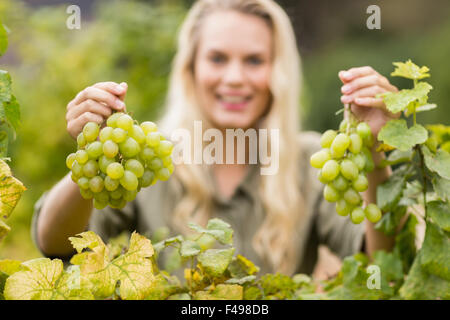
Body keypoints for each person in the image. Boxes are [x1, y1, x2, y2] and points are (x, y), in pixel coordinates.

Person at [32, 0, 400, 276]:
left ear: (278, 71)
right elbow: (55, 243)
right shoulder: (145, 158)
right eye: (218, 58)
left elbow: (380, 263)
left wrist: (373, 152)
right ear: (191, 68)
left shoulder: (312, 159)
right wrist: (94, 156)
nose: (235, 77)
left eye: (254, 60)